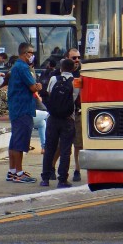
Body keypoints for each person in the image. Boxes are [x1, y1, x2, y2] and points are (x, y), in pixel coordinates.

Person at [6, 42, 42, 183]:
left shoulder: (16, 67)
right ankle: (19, 173)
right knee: (20, 142)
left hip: (16, 108)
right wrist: (38, 85)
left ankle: (12, 171)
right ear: (25, 53)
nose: (32, 56)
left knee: (15, 140)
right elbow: (33, 87)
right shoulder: (23, 67)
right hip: (23, 108)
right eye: (31, 53)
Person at [40, 58, 78, 188]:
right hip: (68, 119)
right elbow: (76, 99)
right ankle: (62, 180)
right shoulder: (76, 82)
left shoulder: (54, 79)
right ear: (73, 69)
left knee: (49, 148)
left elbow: (50, 94)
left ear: (61, 68)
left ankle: (45, 178)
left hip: (53, 118)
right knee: (65, 150)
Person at [49, 48, 84, 182]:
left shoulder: (82, 74)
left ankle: (77, 170)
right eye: (74, 58)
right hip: (62, 115)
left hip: (77, 113)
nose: (77, 60)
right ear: (67, 59)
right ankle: (52, 167)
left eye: (78, 58)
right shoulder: (58, 74)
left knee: (78, 144)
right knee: (60, 145)